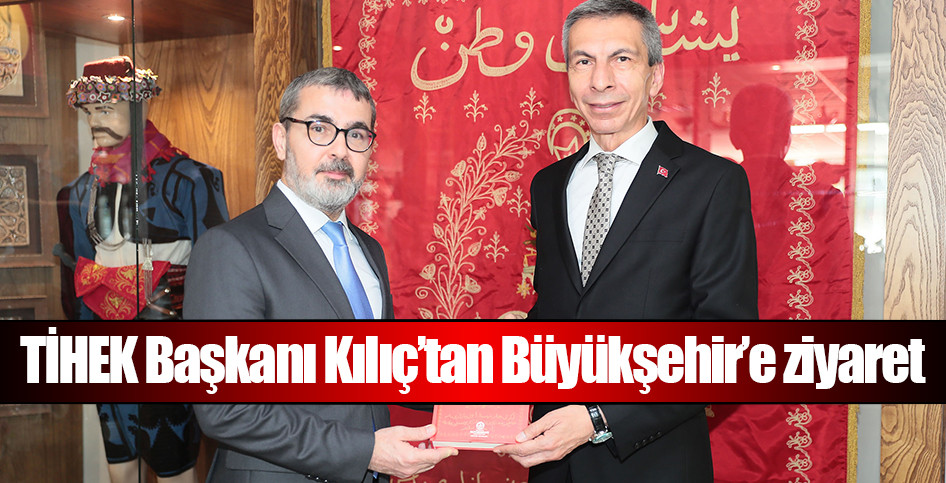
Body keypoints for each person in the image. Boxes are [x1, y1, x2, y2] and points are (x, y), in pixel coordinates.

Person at [494, 1, 758, 482]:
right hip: (553, 463)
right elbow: (570, 308)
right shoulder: (548, 184)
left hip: (654, 465)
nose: (600, 81)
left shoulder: (712, 183)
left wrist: (599, 417)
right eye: (583, 61)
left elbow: (727, 349)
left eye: (621, 59)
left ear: (655, 76)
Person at [183, 67, 457, 482]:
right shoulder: (230, 248)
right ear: (281, 140)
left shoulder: (369, 251)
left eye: (356, 134)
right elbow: (226, 408)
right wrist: (366, 452)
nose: (340, 150)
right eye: (320, 129)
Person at [55, 56, 227, 483]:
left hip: (168, 347)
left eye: (106, 107)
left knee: (174, 469)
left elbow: (220, 273)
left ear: (140, 106)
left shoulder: (190, 180)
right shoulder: (79, 191)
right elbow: (76, 271)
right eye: (89, 110)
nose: (96, 121)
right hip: (105, 348)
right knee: (119, 465)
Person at [729, 83, 852, 319]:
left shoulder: (706, 199)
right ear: (787, 134)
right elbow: (838, 293)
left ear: (734, 135)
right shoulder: (824, 200)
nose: (768, 135)